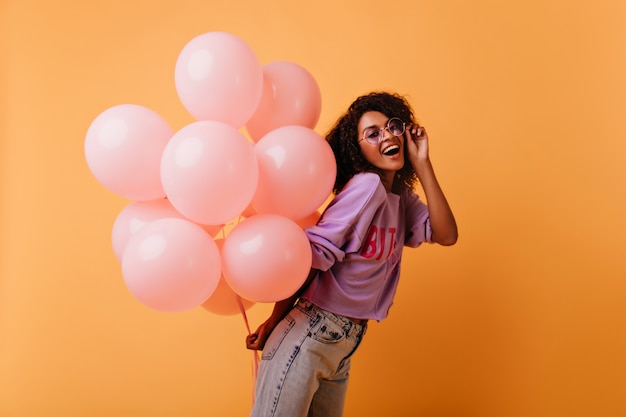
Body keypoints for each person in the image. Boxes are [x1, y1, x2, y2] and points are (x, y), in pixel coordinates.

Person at [245, 91, 458, 417]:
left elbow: (446, 235)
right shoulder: (367, 186)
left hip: (343, 343)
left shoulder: (398, 195)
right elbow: (313, 256)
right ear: (356, 150)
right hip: (312, 332)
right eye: (373, 133)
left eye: (393, 126)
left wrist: (423, 162)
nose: (387, 135)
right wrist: (274, 321)